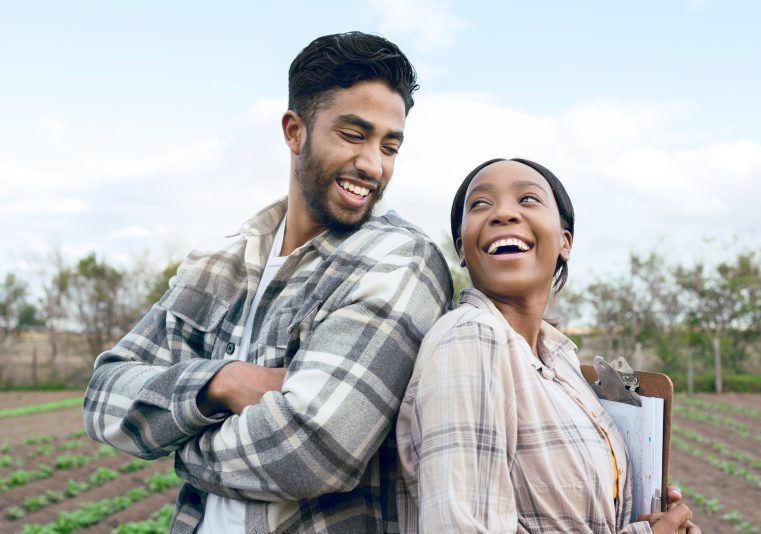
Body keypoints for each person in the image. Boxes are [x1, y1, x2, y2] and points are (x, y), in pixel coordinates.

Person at [83, 32, 452, 534]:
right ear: (294, 131)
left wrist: (175, 439)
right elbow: (102, 396)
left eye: (389, 145)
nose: (373, 164)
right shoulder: (220, 261)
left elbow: (315, 450)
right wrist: (222, 383)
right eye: (352, 135)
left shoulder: (400, 258)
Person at [396, 158, 699, 533]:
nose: (504, 213)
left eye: (527, 199)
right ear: (461, 247)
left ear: (564, 242)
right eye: (480, 204)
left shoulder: (563, 363)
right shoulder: (471, 338)